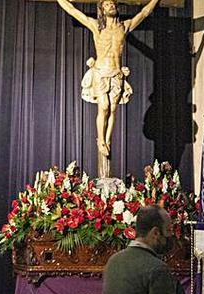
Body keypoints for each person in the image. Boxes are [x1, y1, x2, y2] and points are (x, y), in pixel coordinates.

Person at [55, 0, 160, 176]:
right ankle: (101, 140)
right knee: (103, 106)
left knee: (112, 109)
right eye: (107, 5)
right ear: (102, 9)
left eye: (112, 4)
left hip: (117, 73)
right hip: (100, 71)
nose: (111, 6)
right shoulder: (96, 26)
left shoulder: (124, 27)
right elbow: (73, 11)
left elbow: (144, 13)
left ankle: (108, 139)